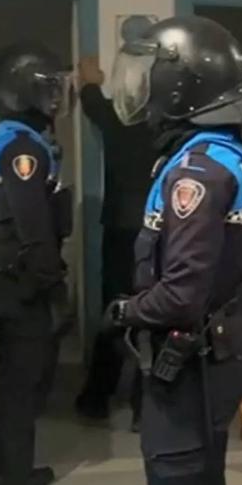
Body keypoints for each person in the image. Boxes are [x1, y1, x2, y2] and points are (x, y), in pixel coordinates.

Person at [103, 15, 242, 485]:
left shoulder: (196, 171)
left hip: (189, 361)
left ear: (181, 82)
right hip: (213, 350)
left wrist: (123, 312)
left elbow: (181, 295)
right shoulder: (224, 153)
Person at [0, 42, 77, 485]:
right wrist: (54, 285)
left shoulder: (10, 134)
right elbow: (34, 227)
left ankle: (4, 476)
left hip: (5, 268)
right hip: (21, 275)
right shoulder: (21, 146)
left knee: (10, 380)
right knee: (23, 384)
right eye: (49, 87)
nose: (57, 96)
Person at [72, 55, 156, 429]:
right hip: (155, 230)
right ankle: (144, 405)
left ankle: (97, 397)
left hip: (120, 230)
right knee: (151, 315)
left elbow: (93, 102)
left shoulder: (116, 121)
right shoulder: (165, 125)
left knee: (114, 313)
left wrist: (90, 79)